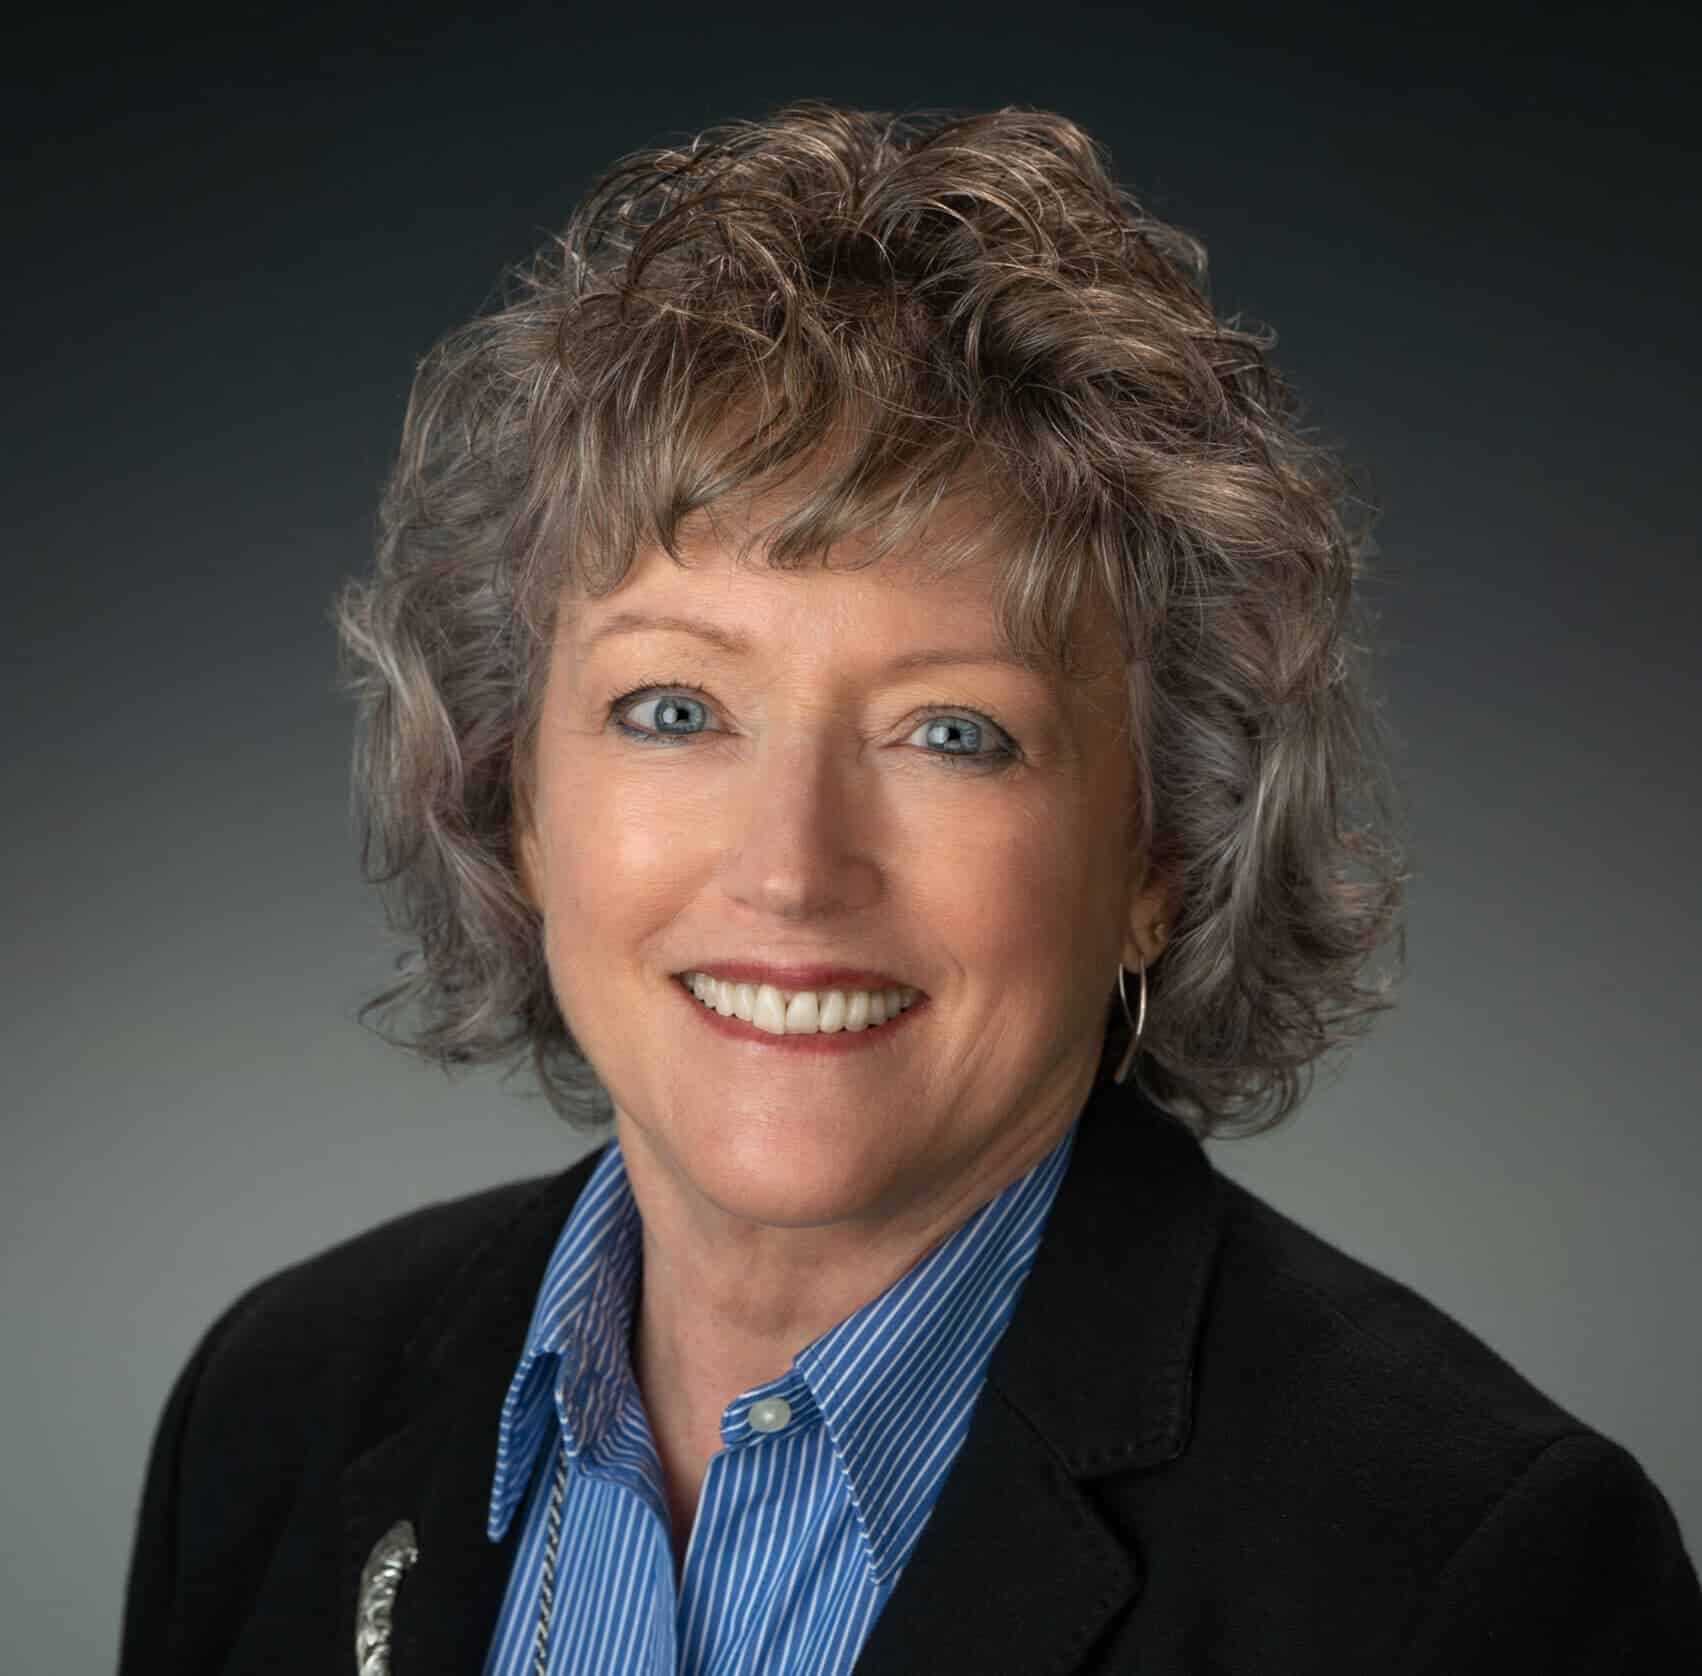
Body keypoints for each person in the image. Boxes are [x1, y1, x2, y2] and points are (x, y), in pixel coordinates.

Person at [118, 100, 1702, 1675]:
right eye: (674, 711)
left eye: (953, 733)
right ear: (513, 795)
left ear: (1161, 853)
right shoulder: (285, 1401)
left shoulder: (1471, 1576)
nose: (792, 868)